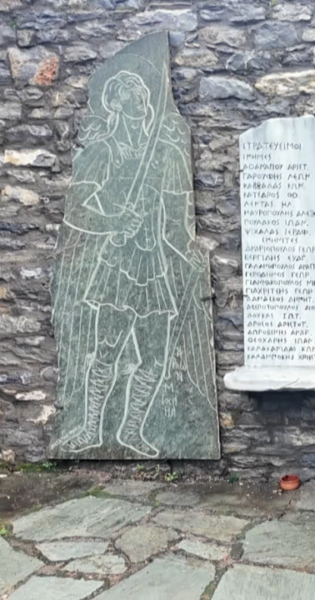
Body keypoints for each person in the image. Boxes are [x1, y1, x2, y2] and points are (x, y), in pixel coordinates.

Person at [53, 70, 203, 457]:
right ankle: (90, 430)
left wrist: (187, 249)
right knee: (107, 351)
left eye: (144, 96)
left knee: (154, 358)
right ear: (118, 104)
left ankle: (132, 431)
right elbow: (76, 210)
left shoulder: (164, 153)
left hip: (154, 266)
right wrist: (114, 221)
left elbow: (176, 218)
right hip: (118, 264)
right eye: (134, 96)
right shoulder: (103, 151)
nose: (144, 102)